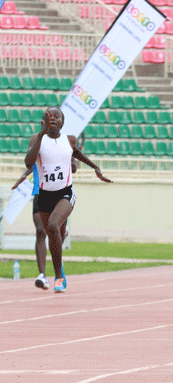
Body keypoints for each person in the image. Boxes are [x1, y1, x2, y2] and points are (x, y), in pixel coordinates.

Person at [24, 107, 112, 293]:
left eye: (57, 116)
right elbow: (28, 163)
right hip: (44, 194)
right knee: (50, 233)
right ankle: (58, 271)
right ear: (43, 121)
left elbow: (77, 156)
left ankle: (58, 278)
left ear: (62, 123)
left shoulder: (69, 140)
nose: (53, 118)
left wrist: (95, 167)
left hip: (65, 192)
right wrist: (41, 134)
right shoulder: (36, 139)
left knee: (53, 226)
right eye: (49, 116)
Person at [11, 150, 79, 291]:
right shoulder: (36, 140)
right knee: (41, 231)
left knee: (54, 230)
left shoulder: (62, 143)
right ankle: (42, 275)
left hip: (58, 192)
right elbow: (30, 163)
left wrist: (69, 162)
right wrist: (23, 176)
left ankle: (58, 269)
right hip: (39, 192)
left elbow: (74, 166)